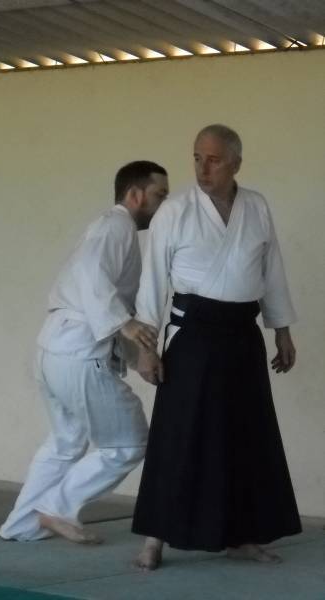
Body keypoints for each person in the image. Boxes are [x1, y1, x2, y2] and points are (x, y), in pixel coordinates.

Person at [131, 125, 302, 569]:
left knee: (245, 435)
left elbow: (271, 268)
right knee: (179, 433)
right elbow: (153, 279)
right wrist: (146, 347)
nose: (203, 169)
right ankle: (154, 537)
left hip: (242, 331)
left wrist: (281, 329)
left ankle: (240, 536)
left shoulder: (256, 206)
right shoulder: (176, 210)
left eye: (214, 160)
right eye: (197, 158)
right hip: (193, 333)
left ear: (236, 164)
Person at [0, 161, 169, 544]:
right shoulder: (116, 226)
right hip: (78, 351)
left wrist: (138, 357)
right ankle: (58, 508)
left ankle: (21, 525)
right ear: (135, 194)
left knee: (66, 442)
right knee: (128, 443)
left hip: (53, 350)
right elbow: (92, 275)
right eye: (159, 195)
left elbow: (99, 290)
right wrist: (126, 325)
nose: (163, 205)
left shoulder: (110, 228)